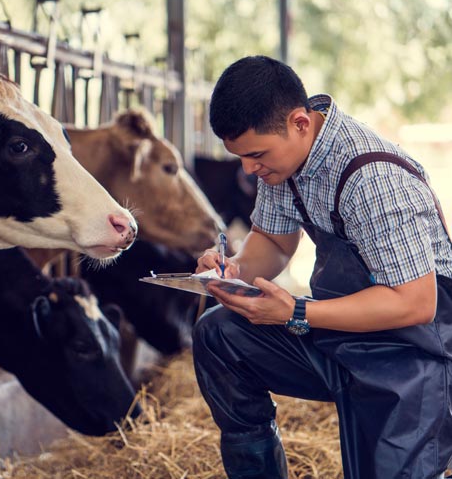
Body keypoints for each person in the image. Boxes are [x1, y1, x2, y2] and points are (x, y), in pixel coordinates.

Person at [192, 55, 452, 479]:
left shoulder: (371, 179)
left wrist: (296, 312)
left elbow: (416, 303)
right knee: (220, 333)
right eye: (240, 157)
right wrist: (232, 270)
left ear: (299, 122)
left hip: (413, 353)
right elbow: (275, 242)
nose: (248, 169)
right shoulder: (286, 163)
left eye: (256, 155)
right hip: (344, 333)